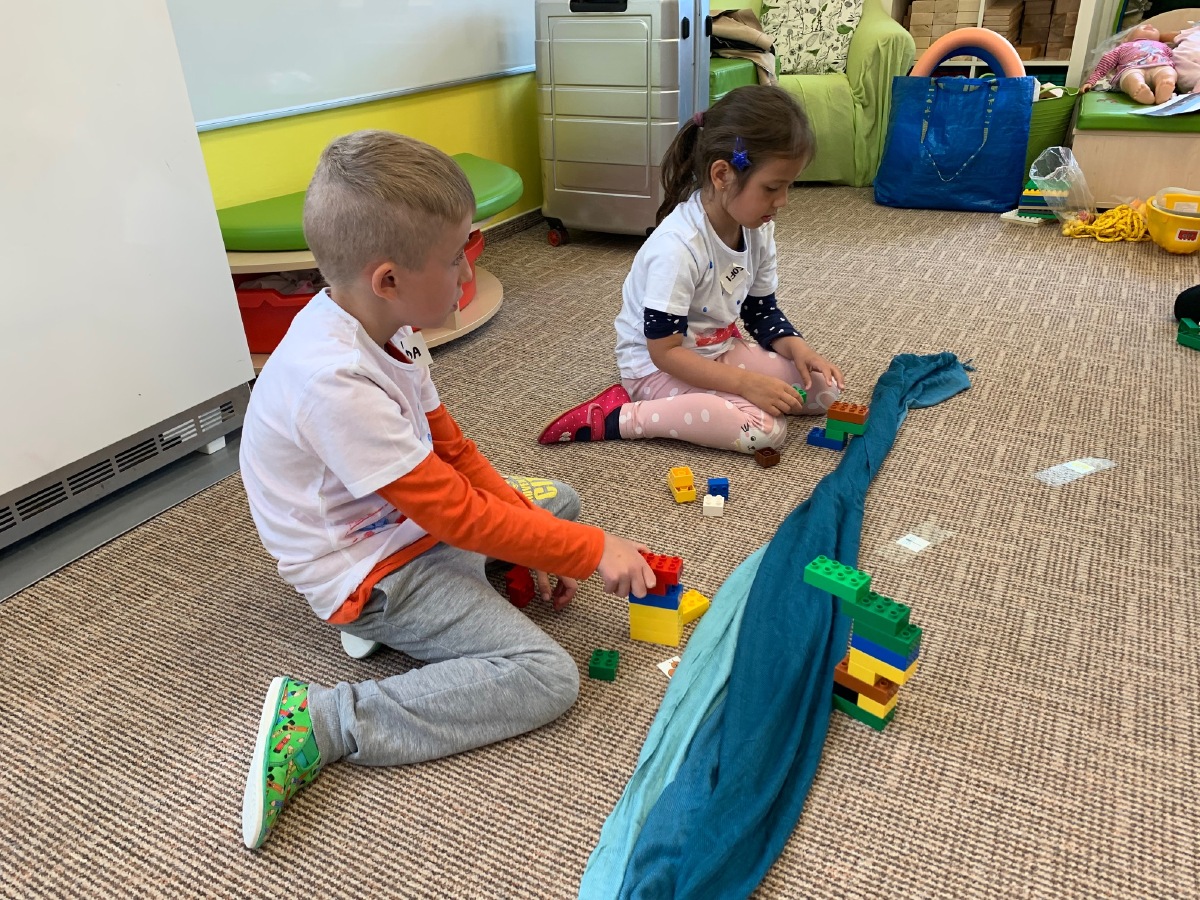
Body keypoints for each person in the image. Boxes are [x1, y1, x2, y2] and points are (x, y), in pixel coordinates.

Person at [238, 131, 655, 849]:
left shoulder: (393, 328)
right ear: (388, 279)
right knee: (545, 677)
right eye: (458, 253)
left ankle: (451, 602)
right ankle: (326, 720)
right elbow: (457, 514)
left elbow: (452, 452)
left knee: (554, 503)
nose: (470, 266)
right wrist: (586, 552)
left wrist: (543, 540)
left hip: (409, 522)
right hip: (373, 568)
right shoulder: (332, 381)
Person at [538, 85, 845, 456]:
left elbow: (761, 312)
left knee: (824, 389)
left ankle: (730, 388)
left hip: (716, 349)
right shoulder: (678, 247)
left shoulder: (759, 229)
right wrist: (745, 384)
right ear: (722, 174)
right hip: (658, 368)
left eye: (788, 186)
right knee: (763, 431)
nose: (782, 201)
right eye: (772, 188)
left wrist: (799, 348)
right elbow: (665, 353)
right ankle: (620, 416)